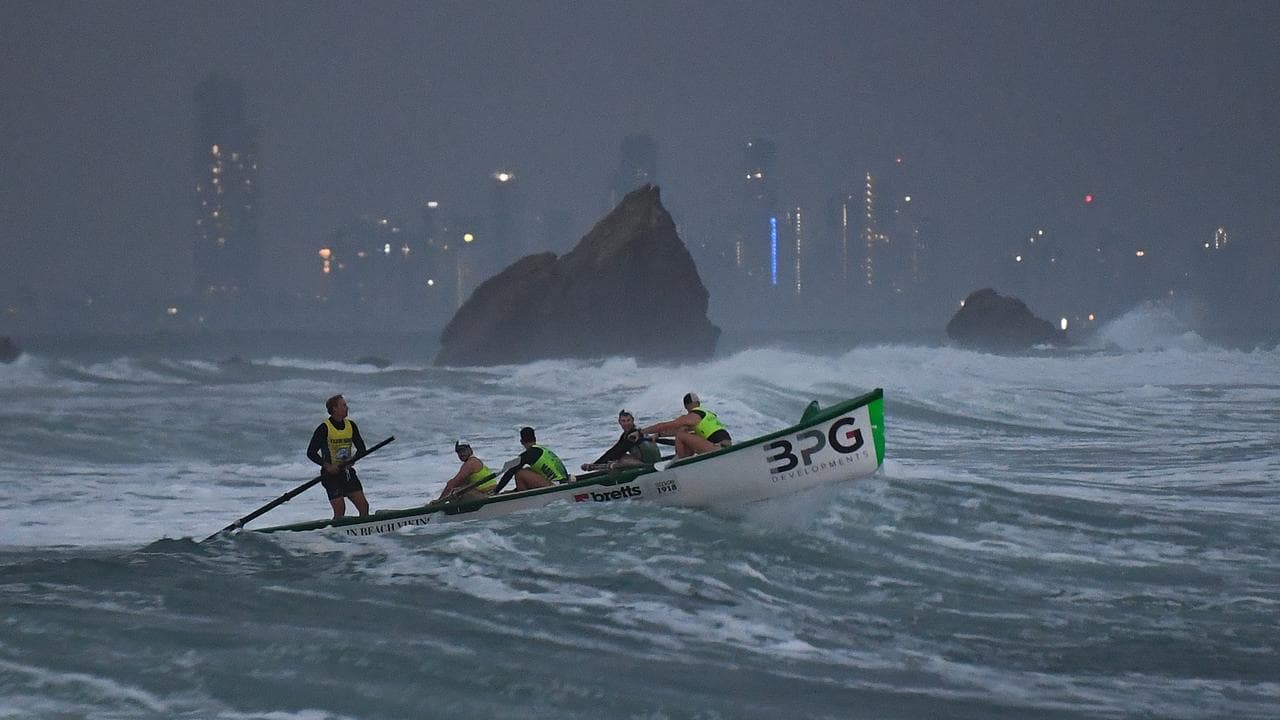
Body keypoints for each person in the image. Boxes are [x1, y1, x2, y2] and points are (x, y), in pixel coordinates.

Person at [305, 394, 371, 519]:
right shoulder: (324, 428)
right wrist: (328, 466)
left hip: (346, 472)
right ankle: (337, 535)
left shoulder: (351, 425)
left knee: (364, 506)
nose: (347, 408)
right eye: (344, 405)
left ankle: (364, 535)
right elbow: (311, 452)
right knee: (340, 510)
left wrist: (353, 460)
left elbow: (361, 449)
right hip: (330, 475)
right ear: (334, 409)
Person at [641, 392, 731, 458]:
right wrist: (658, 435)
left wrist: (641, 431)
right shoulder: (707, 413)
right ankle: (686, 457)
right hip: (727, 445)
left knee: (680, 436)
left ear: (686, 405)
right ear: (698, 403)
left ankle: (681, 461)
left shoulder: (692, 416)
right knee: (690, 435)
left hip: (718, 448)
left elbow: (665, 426)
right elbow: (678, 430)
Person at [493, 426, 570, 492]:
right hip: (563, 481)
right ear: (535, 439)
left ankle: (522, 499)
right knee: (528, 469)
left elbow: (510, 472)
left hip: (555, 485)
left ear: (521, 442)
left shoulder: (527, 455)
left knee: (520, 473)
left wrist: (496, 491)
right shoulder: (543, 450)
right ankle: (517, 491)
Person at [582, 409, 662, 471]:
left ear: (633, 420)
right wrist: (597, 463)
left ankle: (597, 468)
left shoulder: (632, 435)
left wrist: (594, 466)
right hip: (647, 462)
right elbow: (614, 449)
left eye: (628, 420)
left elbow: (618, 452)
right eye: (623, 421)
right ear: (619, 422)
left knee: (618, 459)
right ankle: (597, 467)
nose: (626, 423)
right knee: (617, 457)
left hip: (649, 466)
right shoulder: (627, 434)